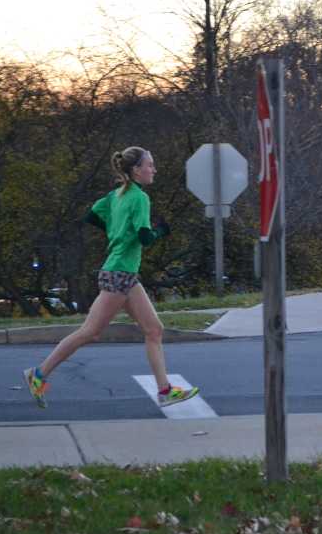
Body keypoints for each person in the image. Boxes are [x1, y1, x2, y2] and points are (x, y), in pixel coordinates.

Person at [23, 146, 198, 409]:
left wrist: (116, 233)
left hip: (122, 273)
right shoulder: (139, 197)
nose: (154, 169)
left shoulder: (115, 195)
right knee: (90, 332)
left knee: (154, 330)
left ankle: (164, 391)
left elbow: (91, 215)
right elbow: (144, 237)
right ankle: (38, 374)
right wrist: (162, 230)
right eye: (150, 165)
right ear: (136, 170)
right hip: (120, 273)